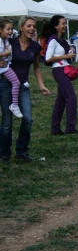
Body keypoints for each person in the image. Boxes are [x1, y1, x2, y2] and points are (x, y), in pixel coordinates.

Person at [0, 16, 50, 163]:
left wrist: (41, 85)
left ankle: (21, 151)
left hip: (23, 86)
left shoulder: (35, 47)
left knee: (27, 118)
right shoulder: (10, 42)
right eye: (28, 26)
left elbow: (36, 67)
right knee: (7, 122)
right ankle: (4, 154)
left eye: (33, 26)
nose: (32, 29)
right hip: (5, 85)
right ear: (21, 28)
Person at [42, 15, 78, 135]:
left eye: (65, 23)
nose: (65, 26)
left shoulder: (63, 40)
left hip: (64, 69)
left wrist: (70, 53)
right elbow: (48, 58)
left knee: (61, 100)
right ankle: (70, 128)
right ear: (56, 26)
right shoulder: (53, 40)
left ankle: (55, 128)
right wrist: (65, 56)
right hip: (58, 70)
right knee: (71, 97)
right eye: (63, 23)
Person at [0, 20, 23, 117]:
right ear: (1, 30)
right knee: (16, 82)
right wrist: (6, 53)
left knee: (16, 81)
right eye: (8, 29)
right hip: (3, 68)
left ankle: (14, 104)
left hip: (5, 67)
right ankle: (14, 104)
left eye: (11, 29)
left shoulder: (5, 40)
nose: (10, 31)